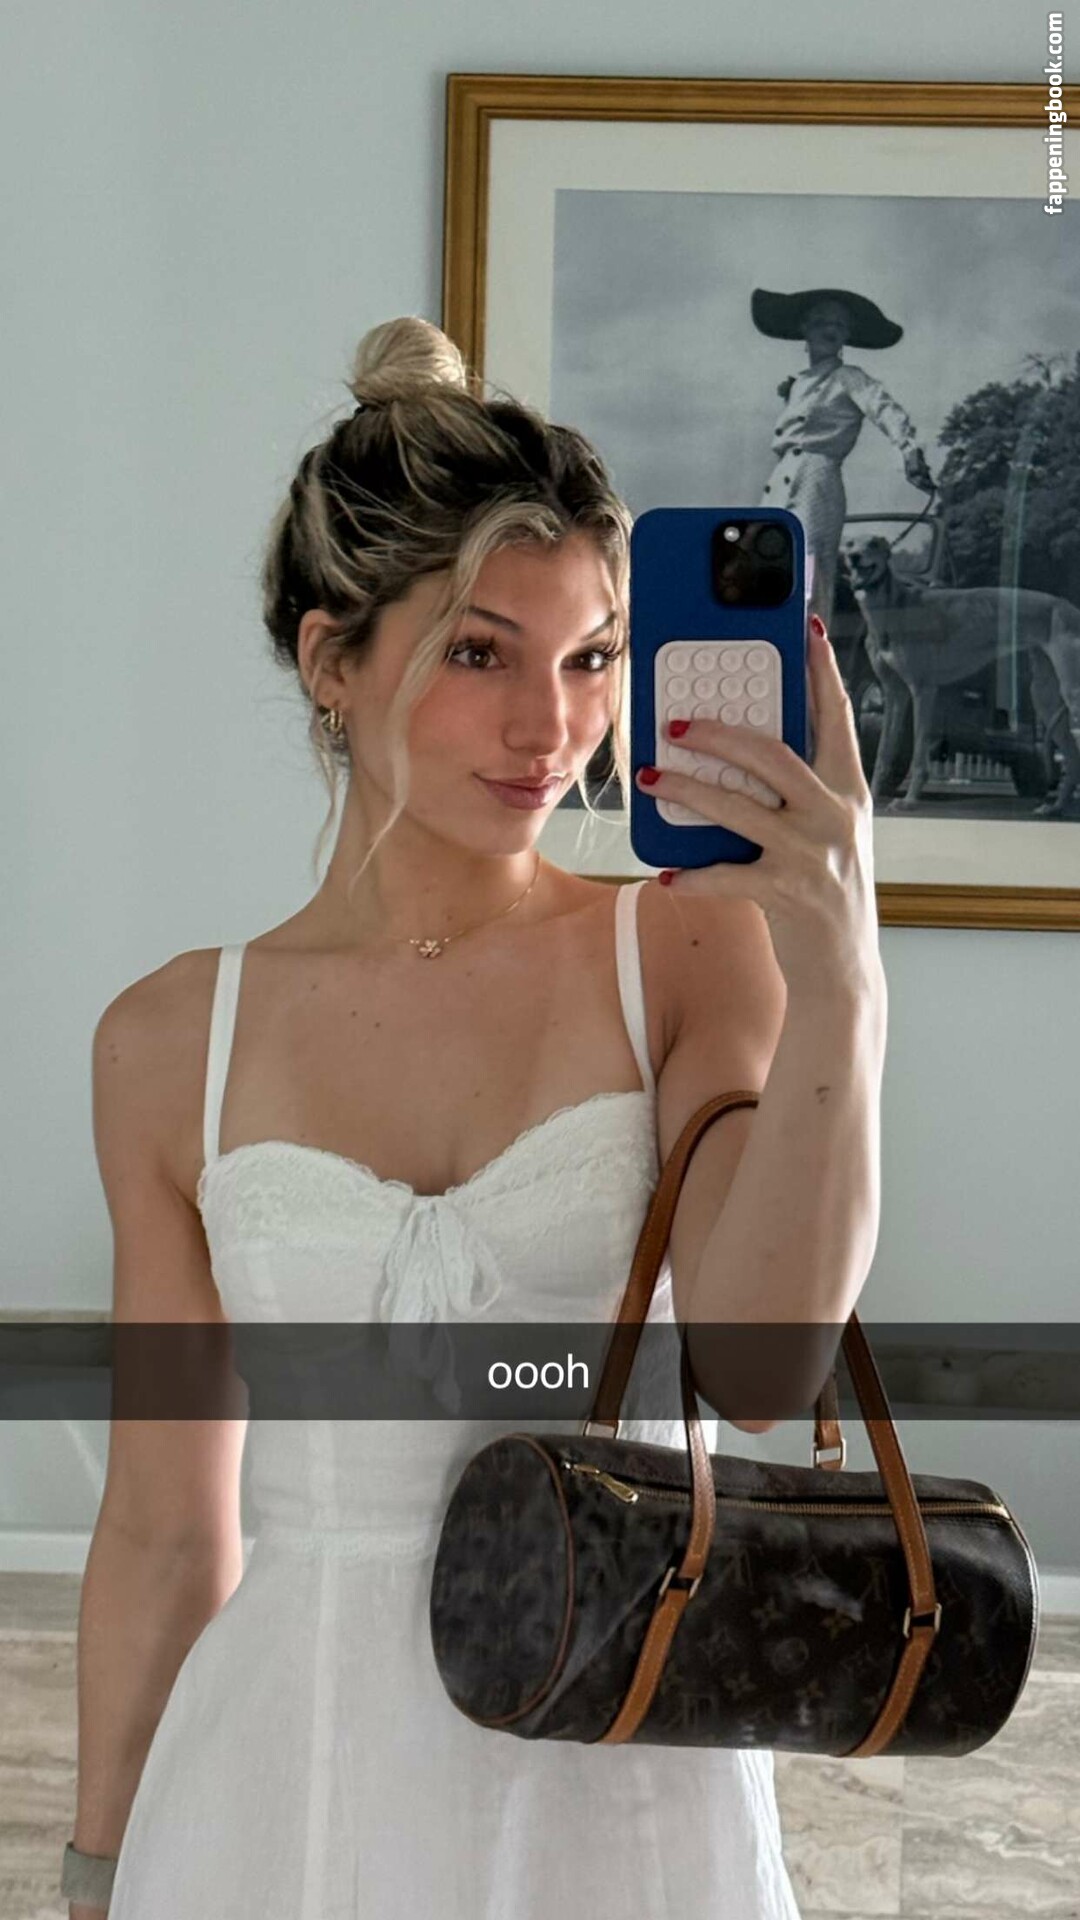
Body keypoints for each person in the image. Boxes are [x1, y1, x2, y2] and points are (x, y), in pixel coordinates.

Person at [66, 315, 887, 1919]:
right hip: (282, 1795)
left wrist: (843, 975)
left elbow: (766, 1365)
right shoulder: (170, 1043)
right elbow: (165, 1529)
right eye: (478, 653)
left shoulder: (684, 955)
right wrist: (96, 1870)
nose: (552, 727)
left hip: (624, 1787)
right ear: (331, 661)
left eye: (591, 658)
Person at [752, 285, 936, 628]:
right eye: (822, 321)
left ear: (847, 336)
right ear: (804, 328)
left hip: (817, 480)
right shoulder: (797, 385)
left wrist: (909, 449)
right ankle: (771, 648)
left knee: (809, 570)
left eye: (839, 325)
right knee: (767, 570)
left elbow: (884, 408)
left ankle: (808, 654)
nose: (830, 329)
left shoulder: (849, 378)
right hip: (779, 483)